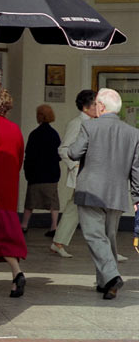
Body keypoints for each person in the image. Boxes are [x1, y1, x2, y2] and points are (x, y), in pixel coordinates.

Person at [68, 88, 139, 300]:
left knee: (94, 236)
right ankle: (106, 284)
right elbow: (136, 169)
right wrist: (137, 197)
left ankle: (112, 275)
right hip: (116, 194)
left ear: (101, 106)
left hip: (91, 190)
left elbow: (74, 152)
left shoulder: (89, 126)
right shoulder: (133, 133)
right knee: (108, 237)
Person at [50, 90, 98, 257]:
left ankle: (58, 242)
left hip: (92, 174)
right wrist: (75, 165)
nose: (97, 107)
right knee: (91, 209)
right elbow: (63, 149)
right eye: (94, 104)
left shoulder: (94, 122)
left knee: (76, 208)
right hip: (82, 174)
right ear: (85, 107)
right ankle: (107, 250)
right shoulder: (77, 123)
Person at [0, 89, 27, 298]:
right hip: (10, 183)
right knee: (7, 227)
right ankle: (16, 273)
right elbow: (19, 157)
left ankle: (14, 273)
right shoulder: (15, 129)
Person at [21, 104, 61, 236]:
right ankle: (54, 226)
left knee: (30, 202)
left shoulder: (34, 134)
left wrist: (27, 172)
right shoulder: (54, 134)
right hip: (51, 174)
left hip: (35, 174)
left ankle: (24, 225)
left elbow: (28, 155)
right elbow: (58, 154)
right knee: (53, 202)